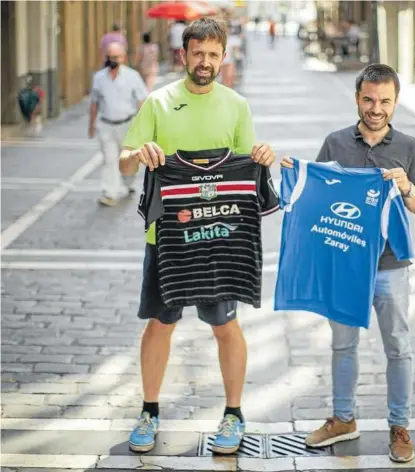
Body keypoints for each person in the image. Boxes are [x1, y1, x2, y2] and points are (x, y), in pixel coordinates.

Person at [118, 17, 276, 455]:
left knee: (225, 326)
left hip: (220, 239)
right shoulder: (158, 102)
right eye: (197, 53)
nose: (204, 61)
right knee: (161, 323)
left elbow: (249, 167)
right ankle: (149, 409)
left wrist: (263, 156)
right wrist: (139, 153)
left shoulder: (237, 106)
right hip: (165, 239)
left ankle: (233, 414)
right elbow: (124, 163)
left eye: (212, 54)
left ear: (223, 57)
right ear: (184, 54)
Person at [281, 64, 415, 463]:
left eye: (384, 101)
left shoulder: (409, 147)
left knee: (398, 345)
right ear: (357, 99)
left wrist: (406, 186)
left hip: (390, 266)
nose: (375, 108)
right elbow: (314, 194)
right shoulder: (335, 143)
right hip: (344, 263)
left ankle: (400, 426)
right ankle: (343, 418)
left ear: (395, 102)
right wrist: (292, 178)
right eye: (368, 99)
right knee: (343, 344)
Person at [89, 42, 148, 207]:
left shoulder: (132, 76)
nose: (111, 59)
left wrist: (144, 125)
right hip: (106, 125)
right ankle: (109, 193)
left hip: (127, 124)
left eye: (115, 57)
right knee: (109, 160)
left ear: (123, 58)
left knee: (128, 160)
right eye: (109, 56)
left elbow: (142, 100)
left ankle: (129, 183)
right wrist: (91, 125)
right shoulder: (99, 78)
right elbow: (94, 102)